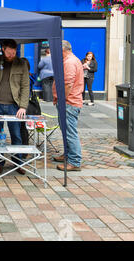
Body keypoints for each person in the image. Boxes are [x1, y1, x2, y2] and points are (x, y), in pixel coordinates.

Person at [0, 39, 30, 175]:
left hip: (14, 106)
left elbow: (26, 86)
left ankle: (18, 162)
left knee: (16, 135)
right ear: (3, 49)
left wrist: (23, 106)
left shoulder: (21, 63)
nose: (11, 55)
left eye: (13, 52)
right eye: (9, 52)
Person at [52, 40, 84, 171]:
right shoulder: (71, 60)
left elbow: (68, 84)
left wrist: (61, 99)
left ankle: (75, 161)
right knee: (66, 131)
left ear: (62, 50)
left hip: (69, 103)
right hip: (68, 102)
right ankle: (68, 154)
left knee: (70, 132)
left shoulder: (70, 62)